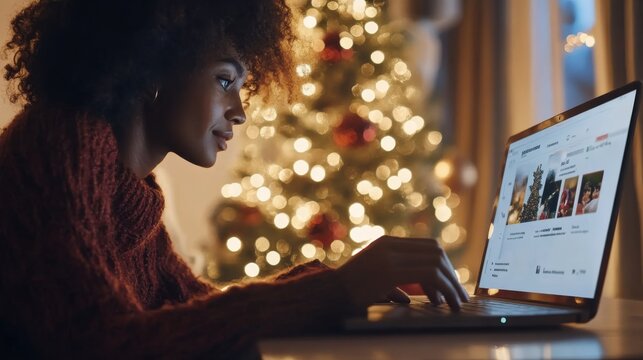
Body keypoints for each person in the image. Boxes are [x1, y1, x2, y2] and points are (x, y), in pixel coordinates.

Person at [0, 0, 468, 357]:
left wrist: (326, 282)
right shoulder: (60, 142)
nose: (240, 112)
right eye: (225, 80)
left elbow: (194, 313)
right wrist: (334, 292)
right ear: (151, 65)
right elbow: (99, 344)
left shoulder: (129, 186)